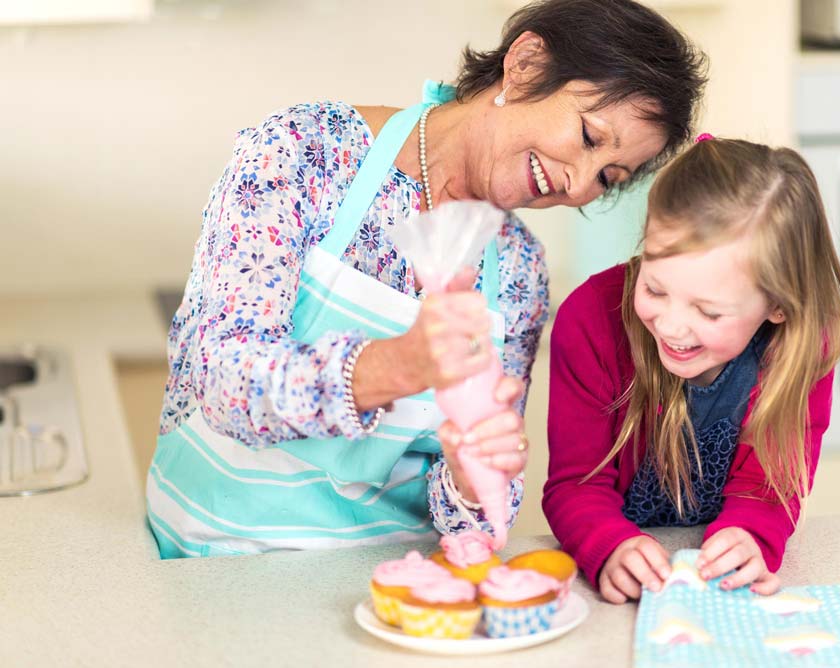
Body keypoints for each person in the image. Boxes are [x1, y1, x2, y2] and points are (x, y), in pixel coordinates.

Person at [146, 0, 707, 558]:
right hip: (222, 554)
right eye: (588, 136)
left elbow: (473, 519)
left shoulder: (517, 269)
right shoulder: (304, 152)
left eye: (608, 178)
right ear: (527, 63)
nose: (579, 184)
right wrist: (393, 367)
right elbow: (221, 381)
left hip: (388, 575)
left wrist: (471, 478)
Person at [543, 136, 840, 602]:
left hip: (715, 581)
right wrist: (608, 545)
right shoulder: (590, 320)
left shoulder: (803, 347)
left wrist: (750, 536)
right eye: (654, 288)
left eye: (709, 312)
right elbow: (577, 483)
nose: (671, 326)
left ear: (779, 306)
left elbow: (770, 487)